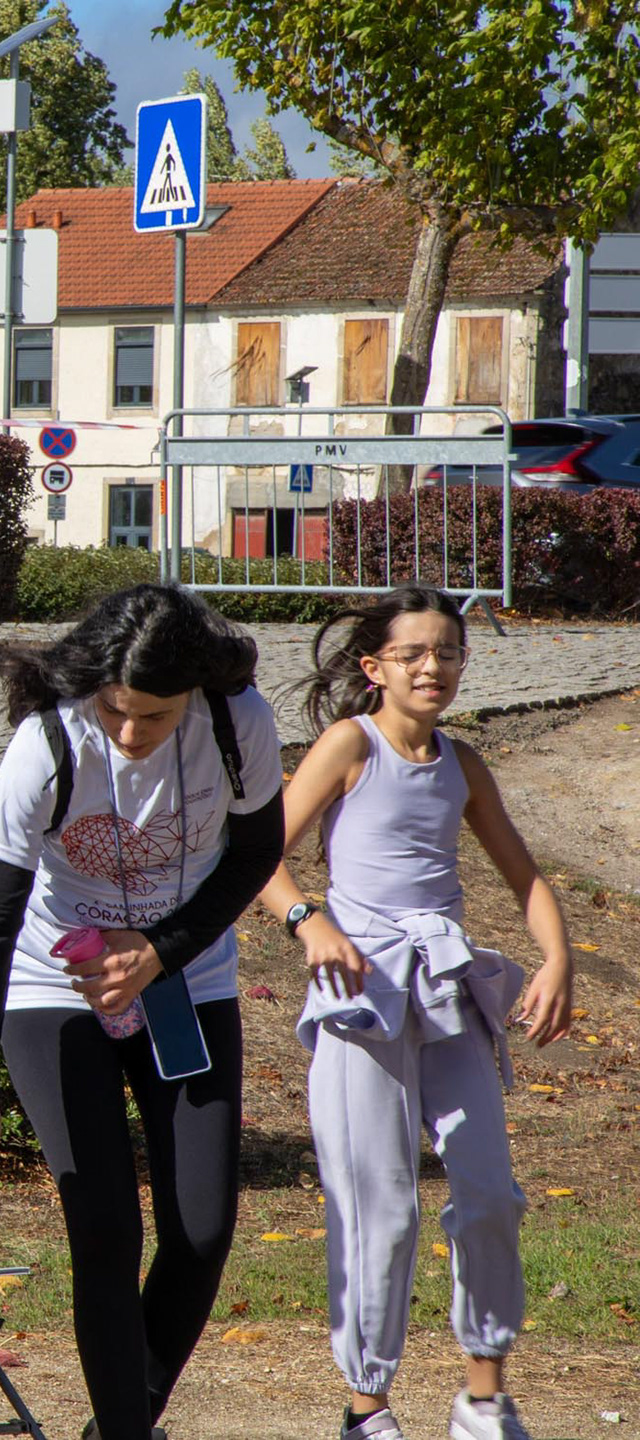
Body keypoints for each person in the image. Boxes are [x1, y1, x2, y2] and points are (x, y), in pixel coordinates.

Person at [0, 583, 287, 1440]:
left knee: (201, 1230)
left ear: (195, 690)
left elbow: (255, 856)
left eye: (156, 715)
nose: (131, 733)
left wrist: (161, 949)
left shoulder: (238, 722)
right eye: (116, 709)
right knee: (104, 1231)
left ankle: (122, 1422)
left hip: (186, 980)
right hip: (53, 990)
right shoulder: (49, 739)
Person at [256, 587, 573, 1440]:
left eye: (448, 652)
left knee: (490, 1192)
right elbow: (259, 858)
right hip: (360, 1002)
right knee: (381, 1207)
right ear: (376, 668)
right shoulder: (348, 744)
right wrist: (309, 920)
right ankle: (367, 1408)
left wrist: (558, 958)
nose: (433, 667)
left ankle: (483, 1398)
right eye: (414, 654)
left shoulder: (462, 763)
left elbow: (525, 876)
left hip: (446, 993)